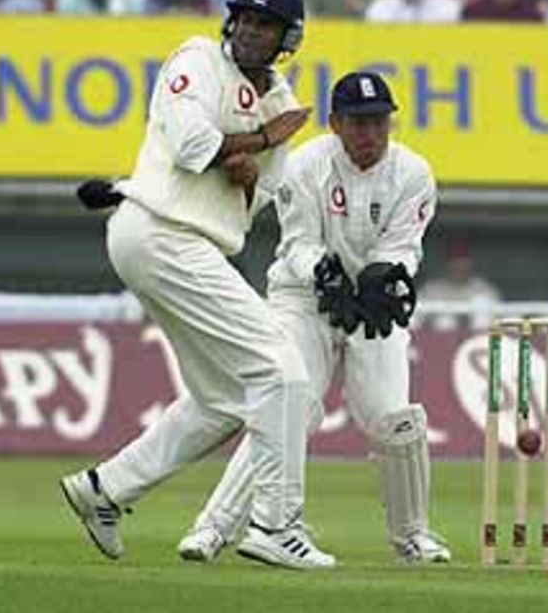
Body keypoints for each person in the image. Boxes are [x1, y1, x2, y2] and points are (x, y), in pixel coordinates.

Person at [59, 0, 335, 571]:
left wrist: (249, 173)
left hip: (194, 241)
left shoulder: (281, 100)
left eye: (266, 26)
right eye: (245, 20)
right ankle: (275, 524)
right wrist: (257, 140)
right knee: (283, 371)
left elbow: (257, 201)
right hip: (160, 231)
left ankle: (104, 490)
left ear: (289, 38)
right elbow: (191, 145)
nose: (251, 32)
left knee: (224, 401)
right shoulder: (197, 58)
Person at [176, 70, 451, 566]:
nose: (370, 134)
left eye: (379, 122)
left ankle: (413, 536)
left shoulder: (414, 172)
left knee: (396, 420)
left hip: (370, 306)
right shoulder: (305, 165)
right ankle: (213, 529)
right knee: (288, 408)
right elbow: (299, 242)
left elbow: (404, 247)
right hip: (302, 299)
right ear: (335, 124)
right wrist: (324, 273)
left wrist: (386, 276)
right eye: (358, 123)